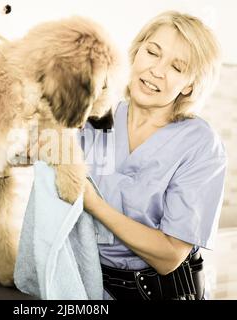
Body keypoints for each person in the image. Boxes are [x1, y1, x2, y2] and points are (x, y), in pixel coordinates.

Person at [80, 11, 227, 300]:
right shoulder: (94, 115)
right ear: (136, 52)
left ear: (189, 85)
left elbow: (170, 255)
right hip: (86, 285)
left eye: (176, 67)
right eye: (152, 52)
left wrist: (94, 205)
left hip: (154, 292)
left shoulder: (200, 145)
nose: (156, 70)